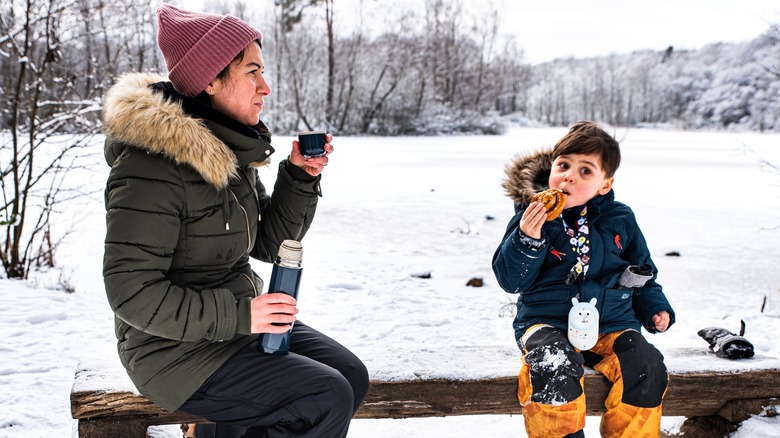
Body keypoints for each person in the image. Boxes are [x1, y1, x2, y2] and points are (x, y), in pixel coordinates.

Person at [101, 4, 368, 437]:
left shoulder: (226, 151)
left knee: (350, 377)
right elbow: (132, 295)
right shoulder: (148, 170)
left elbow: (267, 244)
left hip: (237, 326)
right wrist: (242, 316)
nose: (265, 87)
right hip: (173, 353)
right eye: (252, 72)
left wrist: (299, 177)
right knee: (324, 396)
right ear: (210, 80)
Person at [492, 121, 675, 438]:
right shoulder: (531, 216)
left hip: (611, 322)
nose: (569, 176)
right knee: (554, 365)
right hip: (546, 322)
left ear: (605, 184)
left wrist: (655, 308)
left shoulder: (620, 218)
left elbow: (642, 272)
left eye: (585, 171)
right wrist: (528, 239)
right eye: (563, 165)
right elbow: (511, 281)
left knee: (646, 365)